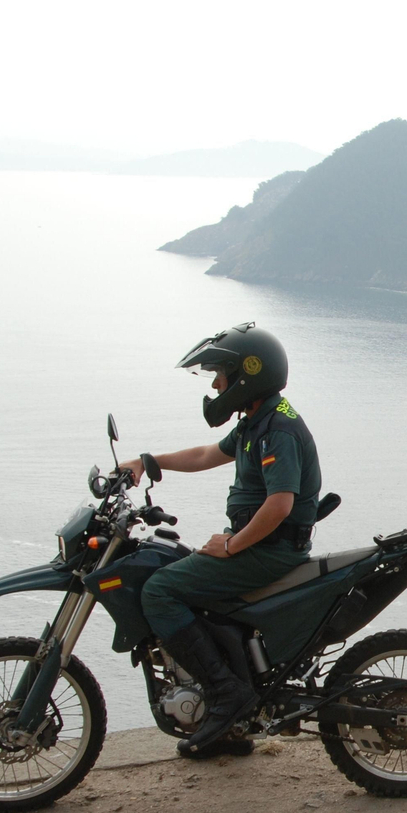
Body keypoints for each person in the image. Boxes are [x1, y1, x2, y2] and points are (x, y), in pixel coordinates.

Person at [122, 323, 322, 757]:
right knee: (191, 590)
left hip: (270, 551)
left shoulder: (277, 431)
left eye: (221, 375)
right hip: (260, 545)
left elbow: (280, 505)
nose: (215, 385)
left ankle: (227, 695)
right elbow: (207, 454)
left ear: (249, 375)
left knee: (159, 591)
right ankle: (233, 721)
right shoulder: (258, 421)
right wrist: (148, 461)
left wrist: (233, 546)